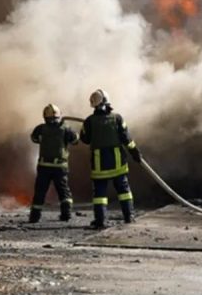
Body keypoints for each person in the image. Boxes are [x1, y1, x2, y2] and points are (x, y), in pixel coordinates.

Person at [80, 90, 142, 229]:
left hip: (99, 164)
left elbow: (85, 139)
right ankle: (129, 217)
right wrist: (135, 152)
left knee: (100, 194)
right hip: (117, 163)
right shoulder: (117, 118)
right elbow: (127, 139)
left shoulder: (89, 121)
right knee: (124, 191)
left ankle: (100, 221)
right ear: (108, 102)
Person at [29, 104, 79, 224]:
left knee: (40, 192)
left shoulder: (40, 129)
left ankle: (34, 218)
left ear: (45, 116)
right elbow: (75, 140)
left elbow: (34, 139)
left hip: (44, 166)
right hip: (60, 167)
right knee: (63, 192)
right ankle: (66, 215)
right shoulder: (66, 128)